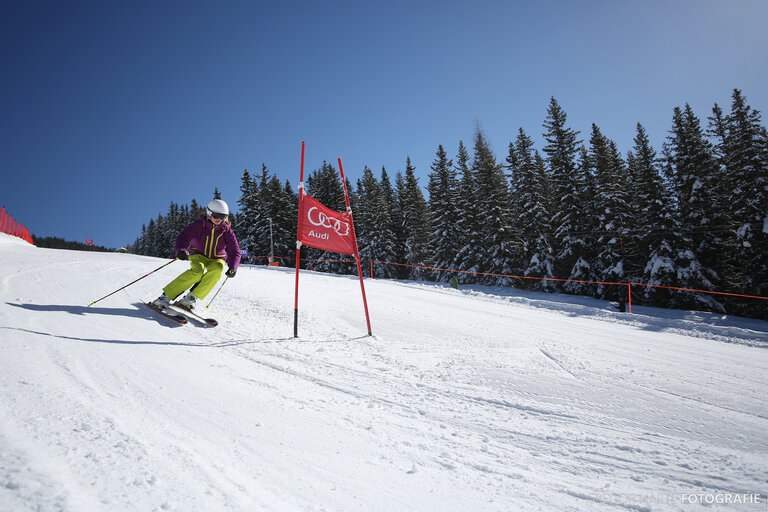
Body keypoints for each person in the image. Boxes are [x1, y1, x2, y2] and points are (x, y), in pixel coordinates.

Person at [152, 199, 241, 311]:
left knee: (217, 270)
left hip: (217, 258)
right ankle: (165, 297)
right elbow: (183, 237)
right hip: (198, 254)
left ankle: (190, 298)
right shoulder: (199, 225)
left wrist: (233, 267)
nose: (219, 219)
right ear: (209, 213)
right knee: (197, 271)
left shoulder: (226, 230)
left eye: (222, 216)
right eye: (216, 215)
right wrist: (181, 250)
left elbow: (234, 250)